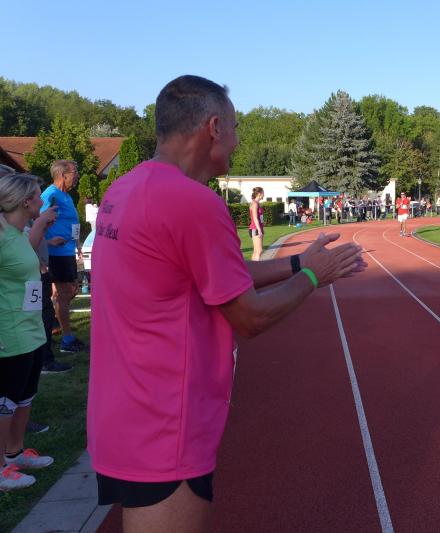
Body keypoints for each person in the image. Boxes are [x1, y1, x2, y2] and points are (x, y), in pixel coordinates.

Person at [87, 75, 366, 532]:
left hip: (121, 417)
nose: (237, 142)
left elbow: (214, 275)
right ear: (214, 127)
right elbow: (250, 317)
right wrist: (316, 276)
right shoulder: (193, 202)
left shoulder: (124, 189)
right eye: (235, 128)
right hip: (167, 426)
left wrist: (299, 262)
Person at [1, 172, 58, 491]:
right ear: (25, 201)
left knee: (25, 397)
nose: (42, 200)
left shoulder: (19, 232)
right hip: (9, 332)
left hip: (31, 329)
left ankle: (15, 453)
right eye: (38, 195)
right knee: (6, 401)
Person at [40, 160, 86, 353]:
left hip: (67, 251)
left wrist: (77, 244)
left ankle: (53, 322)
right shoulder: (50, 194)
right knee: (64, 293)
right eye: (74, 172)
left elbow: (73, 222)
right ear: (63, 175)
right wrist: (48, 242)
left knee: (72, 290)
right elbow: (36, 220)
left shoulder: (66, 196)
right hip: (56, 253)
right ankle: (67, 339)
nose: (77, 176)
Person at [248, 187, 264, 261]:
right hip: (255, 228)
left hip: (255, 228)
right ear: (259, 194)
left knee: (256, 251)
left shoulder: (255, 203)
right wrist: (259, 229)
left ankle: (252, 267)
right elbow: (255, 218)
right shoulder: (255, 204)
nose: (264, 195)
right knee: (259, 251)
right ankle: (256, 267)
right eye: (263, 193)